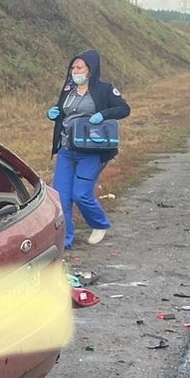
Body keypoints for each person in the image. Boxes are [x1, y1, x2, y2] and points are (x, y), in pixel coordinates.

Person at [47, 50, 130, 248]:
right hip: (67, 149)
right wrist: (54, 114)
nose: (74, 71)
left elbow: (124, 109)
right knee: (61, 197)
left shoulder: (105, 89)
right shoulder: (68, 90)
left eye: (79, 68)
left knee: (81, 194)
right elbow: (63, 113)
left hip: (91, 151)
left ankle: (99, 223)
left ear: (90, 70)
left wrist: (104, 114)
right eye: (73, 67)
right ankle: (65, 239)